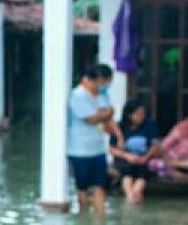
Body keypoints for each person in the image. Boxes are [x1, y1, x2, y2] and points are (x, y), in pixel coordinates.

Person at [67, 63, 115, 215]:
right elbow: (92, 118)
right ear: (99, 79)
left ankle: (101, 218)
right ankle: (84, 216)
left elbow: (107, 115)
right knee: (83, 187)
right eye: (106, 82)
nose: (107, 86)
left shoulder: (102, 94)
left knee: (101, 184)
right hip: (80, 150)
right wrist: (107, 113)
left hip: (98, 149)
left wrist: (106, 114)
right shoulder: (78, 95)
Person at [108, 100, 159, 204]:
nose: (142, 116)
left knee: (143, 171)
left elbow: (155, 145)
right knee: (127, 170)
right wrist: (127, 156)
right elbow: (112, 149)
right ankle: (131, 197)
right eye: (138, 114)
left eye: (143, 113)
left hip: (143, 158)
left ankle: (132, 197)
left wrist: (146, 157)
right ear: (129, 115)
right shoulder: (119, 127)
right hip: (125, 159)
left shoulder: (149, 125)